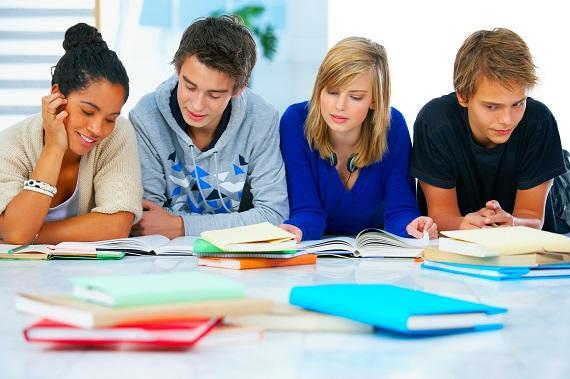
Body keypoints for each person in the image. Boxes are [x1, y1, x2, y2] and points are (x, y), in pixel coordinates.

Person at [130, 16, 288, 238]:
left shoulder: (261, 118)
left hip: (238, 259)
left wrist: (181, 226)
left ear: (238, 89)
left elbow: (274, 215)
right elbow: (146, 221)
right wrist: (242, 223)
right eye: (189, 86)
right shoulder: (146, 117)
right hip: (164, 260)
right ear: (177, 69)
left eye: (214, 95)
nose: (197, 105)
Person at [279, 37, 438, 242]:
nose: (339, 106)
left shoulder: (393, 126)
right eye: (332, 92)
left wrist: (413, 226)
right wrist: (297, 230)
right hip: (316, 254)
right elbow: (306, 211)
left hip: (375, 258)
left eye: (355, 97)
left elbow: (400, 210)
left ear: (375, 100)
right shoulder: (295, 121)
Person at [411, 28, 567, 232]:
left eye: (518, 104)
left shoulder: (539, 120)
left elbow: (532, 217)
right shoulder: (435, 122)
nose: (507, 120)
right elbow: (440, 214)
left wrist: (512, 223)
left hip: (544, 226)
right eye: (492, 107)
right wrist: (462, 224)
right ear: (463, 96)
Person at [0, 23, 142, 244]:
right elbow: (17, 233)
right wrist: (54, 148)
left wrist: (33, 234)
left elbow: (117, 224)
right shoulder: (11, 145)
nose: (97, 129)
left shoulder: (118, 135)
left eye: (110, 118)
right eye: (87, 111)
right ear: (57, 95)